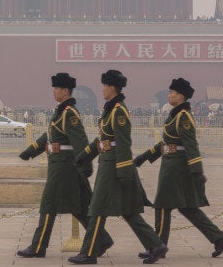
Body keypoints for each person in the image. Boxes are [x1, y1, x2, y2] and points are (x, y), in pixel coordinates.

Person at [68, 70, 167, 265]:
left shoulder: (119, 110)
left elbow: (123, 143)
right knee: (128, 211)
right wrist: (84, 157)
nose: (102, 89)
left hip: (114, 166)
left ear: (112, 87)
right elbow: (102, 140)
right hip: (108, 162)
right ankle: (156, 245)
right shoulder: (110, 110)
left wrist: (123, 172)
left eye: (104, 86)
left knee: (97, 208)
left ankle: (89, 253)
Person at [16, 73, 114, 259]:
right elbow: (51, 136)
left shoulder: (70, 113)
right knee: (79, 207)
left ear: (65, 91)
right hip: (62, 166)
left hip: (65, 167)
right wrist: (30, 151)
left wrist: (85, 167)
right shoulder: (61, 111)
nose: (54, 92)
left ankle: (38, 247)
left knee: (48, 204)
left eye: (56, 89)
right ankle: (102, 239)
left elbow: (80, 141)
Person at [133, 78, 223, 260]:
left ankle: (158, 246)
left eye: (172, 92)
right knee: (187, 208)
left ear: (181, 96)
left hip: (177, 168)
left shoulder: (183, 117)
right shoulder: (175, 115)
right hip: (173, 164)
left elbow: (191, 145)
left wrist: (197, 172)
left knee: (162, 205)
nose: (169, 95)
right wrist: (144, 157)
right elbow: (167, 144)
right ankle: (219, 238)